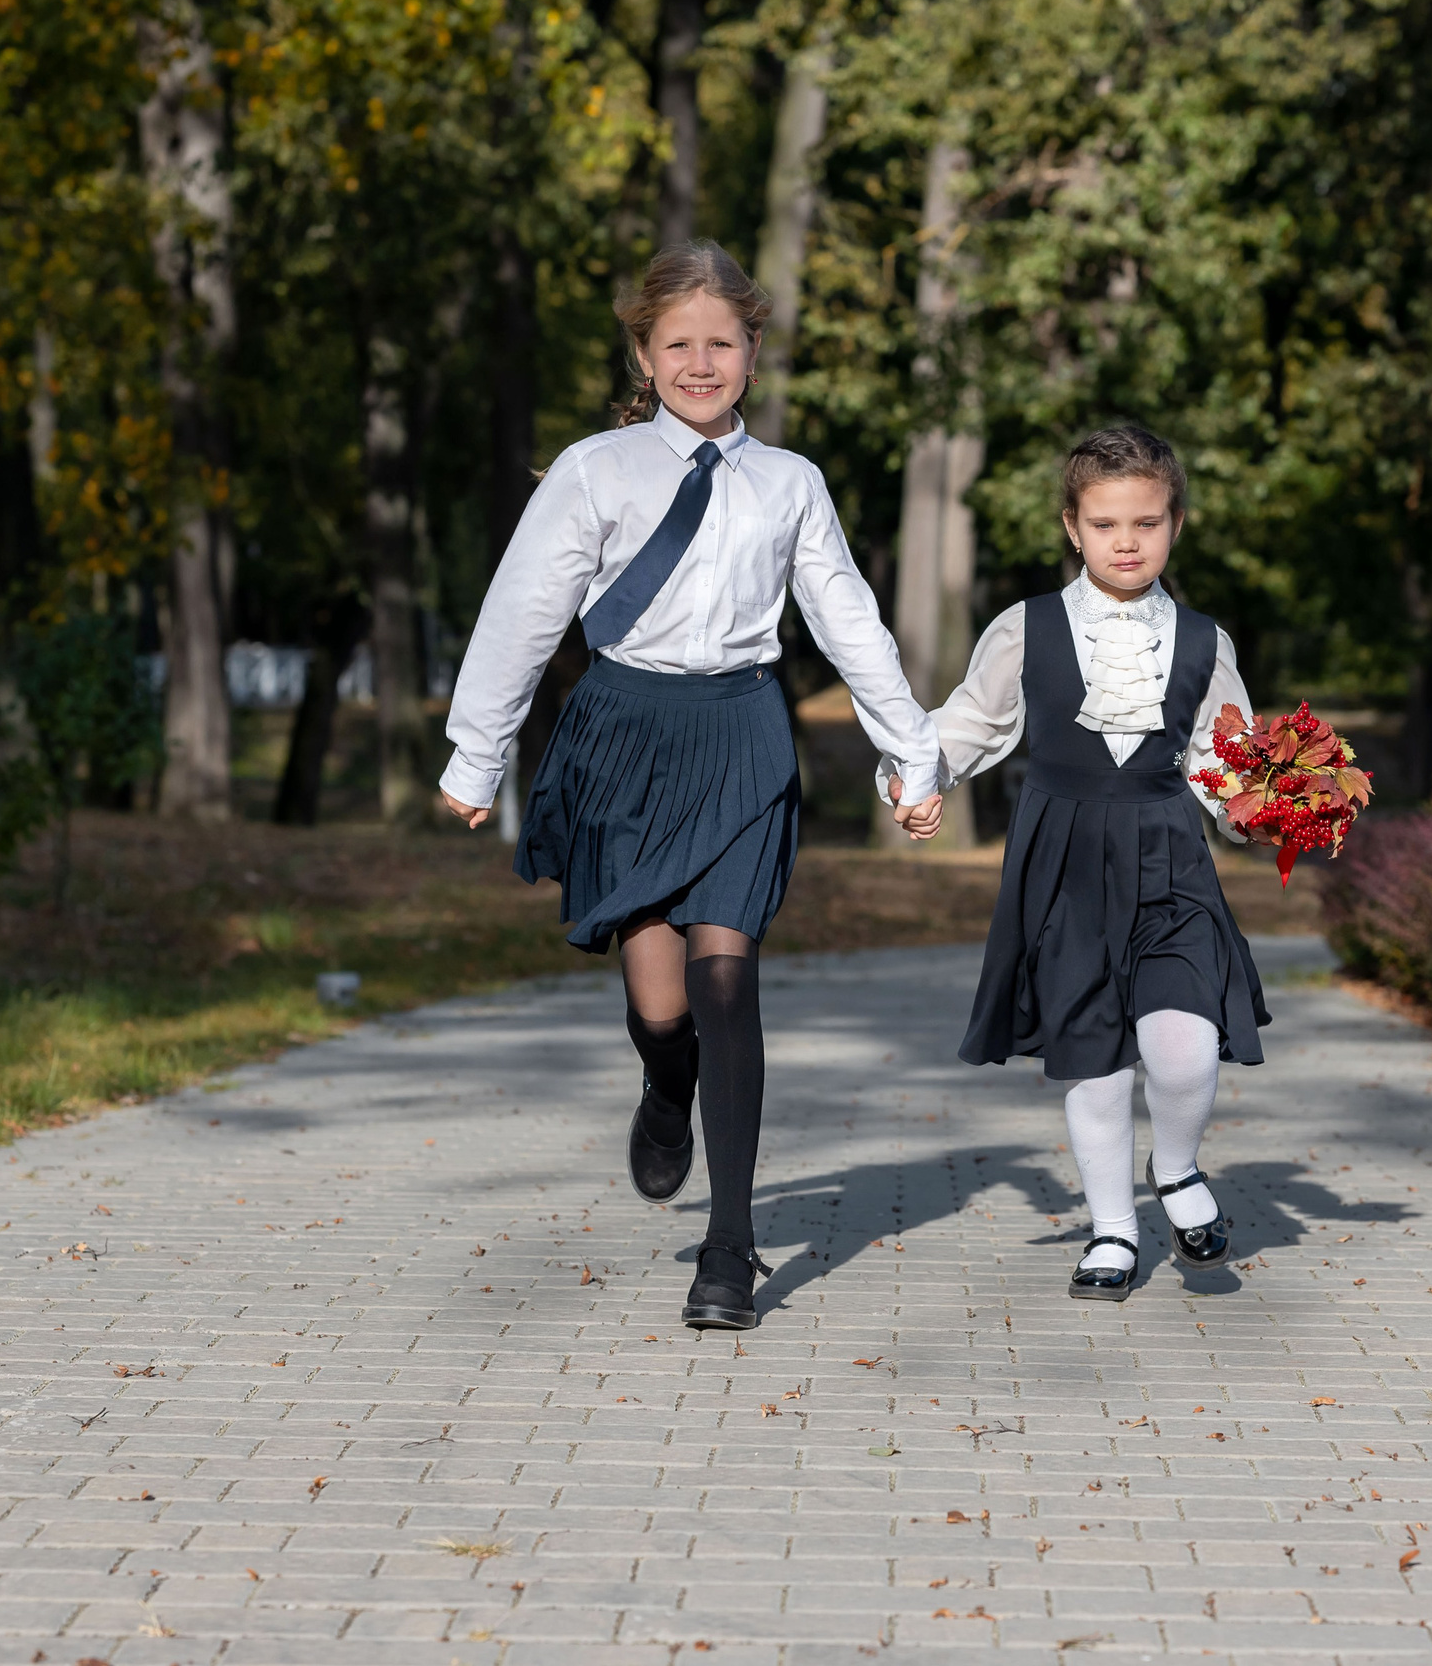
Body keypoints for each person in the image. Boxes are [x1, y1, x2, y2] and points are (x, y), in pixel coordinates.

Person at [440, 241, 945, 1332]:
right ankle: (665, 1082)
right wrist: (476, 754)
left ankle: (730, 1245)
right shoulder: (595, 469)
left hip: (742, 734)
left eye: (722, 341)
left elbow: (848, 619)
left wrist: (909, 752)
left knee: (728, 982)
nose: (701, 361)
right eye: (678, 343)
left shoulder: (790, 482)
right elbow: (523, 609)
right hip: (626, 734)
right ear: (643, 351)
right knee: (662, 1005)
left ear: (754, 350)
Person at [885, 426, 1268, 1300]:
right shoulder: (1026, 628)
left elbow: (1223, 755)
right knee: (1093, 1056)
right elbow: (971, 721)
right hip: (1064, 860)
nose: (1126, 541)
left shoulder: (1207, 640)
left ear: (1176, 522)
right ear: (1072, 526)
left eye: (1145, 521)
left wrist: (1264, 810)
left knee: (1184, 1048)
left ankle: (1174, 1170)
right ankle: (1112, 1229)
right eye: (1104, 524)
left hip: (1170, 855)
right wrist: (917, 777)